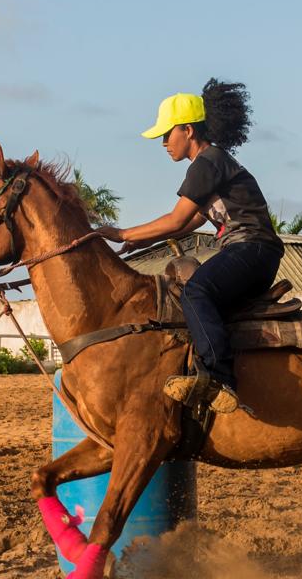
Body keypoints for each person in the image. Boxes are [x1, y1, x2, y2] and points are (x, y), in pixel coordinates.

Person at [96, 79, 284, 414]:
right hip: (253, 251)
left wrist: (125, 234)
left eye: (167, 135)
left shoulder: (207, 163)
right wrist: (143, 239)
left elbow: (175, 219)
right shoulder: (212, 163)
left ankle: (218, 377)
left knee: (195, 292)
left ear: (188, 130)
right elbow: (192, 221)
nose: (164, 143)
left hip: (251, 249)